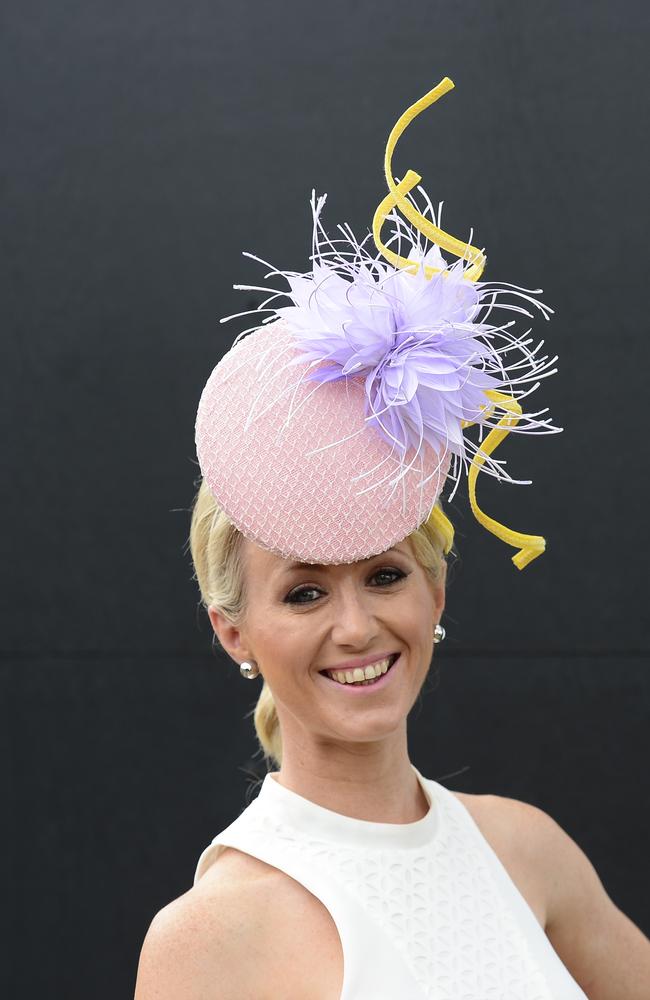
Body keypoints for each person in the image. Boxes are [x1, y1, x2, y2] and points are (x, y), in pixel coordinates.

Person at [134, 79, 650, 999]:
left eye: (383, 574)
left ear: (436, 593)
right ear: (233, 633)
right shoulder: (211, 937)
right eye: (302, 591)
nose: (358, 626)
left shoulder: (525, 849)